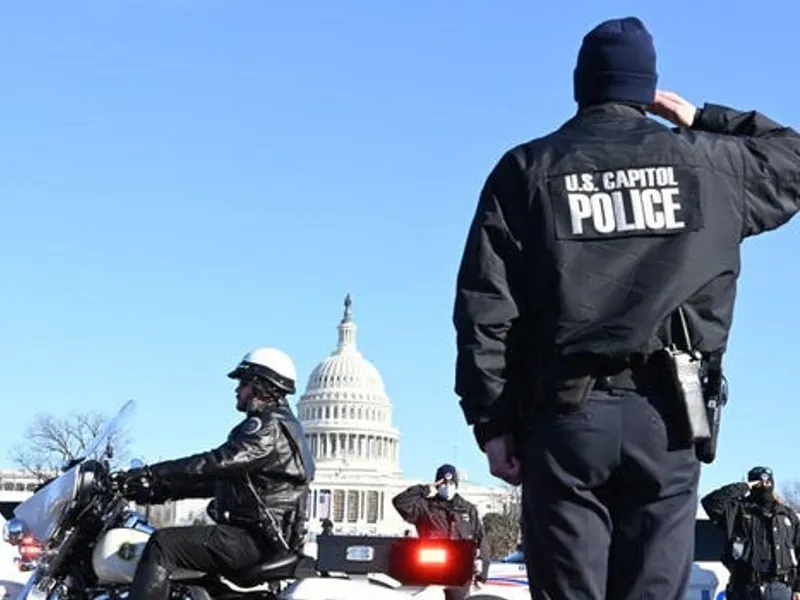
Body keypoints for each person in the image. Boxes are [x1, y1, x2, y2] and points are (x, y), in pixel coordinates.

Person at [452, 15, 800, 600]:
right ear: (647, 88)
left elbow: (486, 306)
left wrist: (492, 421)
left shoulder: (528, 169)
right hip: (669, 415)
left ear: (580, 84)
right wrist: (702, 119)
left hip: (563, 418)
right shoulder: (714, 166)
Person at [121, 347, 315, 600]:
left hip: (255, 539)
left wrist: (151, 472)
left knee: (164, 544)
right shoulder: (279, 424)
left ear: (260, 386)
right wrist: (155, 490)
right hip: (261, 537)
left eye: (243, 383)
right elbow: (216, 481)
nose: (237, 390)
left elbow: (216, 462)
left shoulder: (268, 427)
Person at [392, 464, 489, 600]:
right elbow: (400, 502)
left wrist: (482, 574)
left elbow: (481, 540)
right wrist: (426, 488)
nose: (447, 486)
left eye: (451, 482)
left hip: (459, 572)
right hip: (430, 569)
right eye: (444, 483)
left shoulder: (468, 509)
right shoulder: (425, 507)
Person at [702, 467, 800, 600]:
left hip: (781, 588)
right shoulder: (737, 511)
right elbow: (711, 502)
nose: (764, 486)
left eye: (768, 482)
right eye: (759, 482)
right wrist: (744, 487)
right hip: (745, 588)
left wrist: (798, 587)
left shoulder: (786, 514)